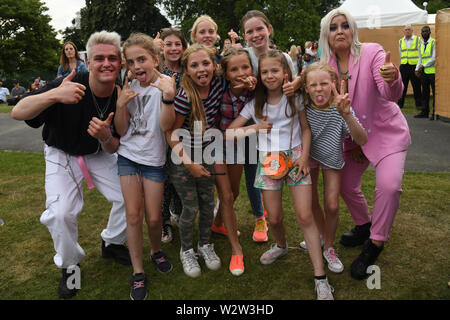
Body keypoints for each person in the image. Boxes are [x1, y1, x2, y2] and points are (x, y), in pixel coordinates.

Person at [11, 31, 131, 299]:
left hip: (96, 153)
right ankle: (70, 266)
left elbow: (114, 146)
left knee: (130, 195)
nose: (106, 64)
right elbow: (19, 111)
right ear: (89, 61)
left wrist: (106, 136)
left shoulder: (120, 92)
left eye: (112, 58)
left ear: (121, 62)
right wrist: (54, 94)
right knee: (62, 213)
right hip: (60, 153)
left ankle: (112, 242)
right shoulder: (67, 81)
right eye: (99, 58)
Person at [228, 50, 334, 300]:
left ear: (285, 72)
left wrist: (305, 156)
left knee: (305, 215)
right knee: (273, 218)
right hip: (268, 161)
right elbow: (229, 133)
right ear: (259, 76)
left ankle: (321, 277)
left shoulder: (294, 98)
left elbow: (306, 129)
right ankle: (281, 245)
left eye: (275, 70)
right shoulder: (254, 103)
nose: (270, 75)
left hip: (296, 157)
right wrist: (253, 127)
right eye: (265, 72)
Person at [320, 9, 411, 280]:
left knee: (390, 186)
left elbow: (390, 94)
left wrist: (391, 77)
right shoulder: (326, 63)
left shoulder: (372, 52)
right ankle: (363, 224)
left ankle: (375, 242)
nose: (340, 31)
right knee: (346, 186)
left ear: (353, 30)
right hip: (352, 137)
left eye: (345, 25)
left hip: (386, 134)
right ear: (327, 34)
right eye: (333, 27)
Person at [114, 33, 176, 300]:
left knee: (153, 218)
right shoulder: (127, 86)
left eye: (142, 59)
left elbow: (166, 126)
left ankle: (155, 251)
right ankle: (137, 271)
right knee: (133, 215)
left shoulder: (166, 84)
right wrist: (120, 105)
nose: (137, 66)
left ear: (155, 59)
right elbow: (121, 129)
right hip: (128, 155)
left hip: (154, 159)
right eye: (131, 62)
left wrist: (168, 96)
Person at [299, 61, 368, 275]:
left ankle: (328, 246)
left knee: (332, 206)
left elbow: (362, 139)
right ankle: (320, 236)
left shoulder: (340, 106)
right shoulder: (303, 105)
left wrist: (347, 114)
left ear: (334, 83)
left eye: (323, 83)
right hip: (309, 157)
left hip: (332, 158)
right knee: (311, 203)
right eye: (313, 85)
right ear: (306, 88)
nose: (318, 89)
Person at [166, 44, 223, 278]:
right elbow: (171, 133)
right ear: (187, 70)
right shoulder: (184, 97)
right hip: (183, 159)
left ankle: (205, 245)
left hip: (207, 153)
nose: (201, 69)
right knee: (191, 206)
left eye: (206, 63)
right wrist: (189, 163)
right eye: (194, 65)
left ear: (214, 66)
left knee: (208, 203)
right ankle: (187, 249)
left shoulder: (218, 85)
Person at [158, 27, 188, 243]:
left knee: (180, 174)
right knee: (164, 179)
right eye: (169, 44)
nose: (174, 48)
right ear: (162, 48)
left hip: (185, 131)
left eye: (177, 44)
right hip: (160, 131)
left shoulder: (188, 69)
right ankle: (163, 222)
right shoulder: (157, 71)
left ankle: (177, 211)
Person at [397, 25, 422, 110]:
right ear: (404, 31)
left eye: (409, 29)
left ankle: (419, 104)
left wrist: (417, 67)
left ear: (412, 30)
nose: (407, 31)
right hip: (404, 66)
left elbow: (420, 55)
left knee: (416, 86)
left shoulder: (418, 40)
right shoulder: (400, 41)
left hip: (414, 66)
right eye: (406, 30)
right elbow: (401, 53)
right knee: (402, 86)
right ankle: (400, 104)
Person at [415, 26, 436, 120]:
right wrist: (417, 69)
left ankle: (435, 112)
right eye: (423, 32)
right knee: (425, 93)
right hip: (423, 73)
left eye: (426, 31)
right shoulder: (420, 44)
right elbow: (420, 58)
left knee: (435, 93)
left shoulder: (433, 42)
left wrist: (423, 66)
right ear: (421, 33)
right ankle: (425, 112)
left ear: (430, 32)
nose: (424, 33)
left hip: (433, 72)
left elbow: (434, 58)